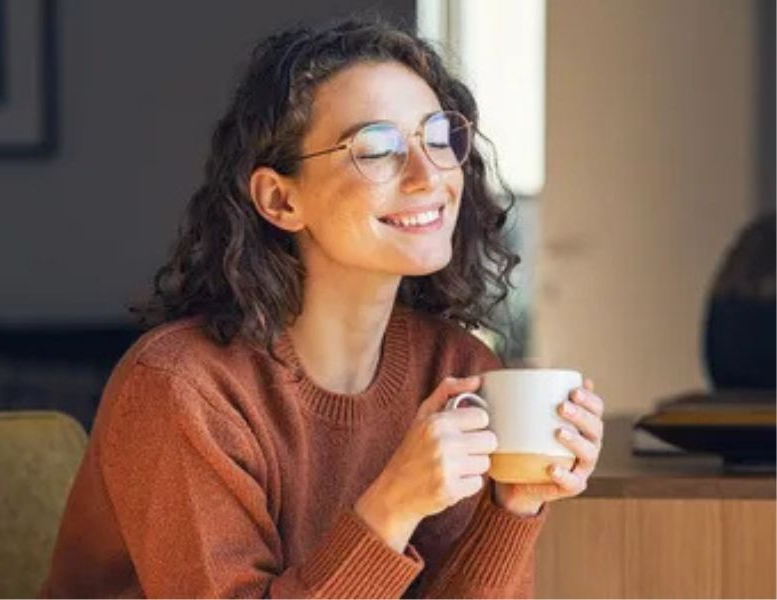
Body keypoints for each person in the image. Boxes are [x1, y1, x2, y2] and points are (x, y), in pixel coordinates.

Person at [41, 17, 605, 599]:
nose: (427, 175)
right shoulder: (183, 390)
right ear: (280, 199)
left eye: (438, 136)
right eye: (377, 149)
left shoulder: (457, 369)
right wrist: (391, 507)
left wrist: (513, 506)